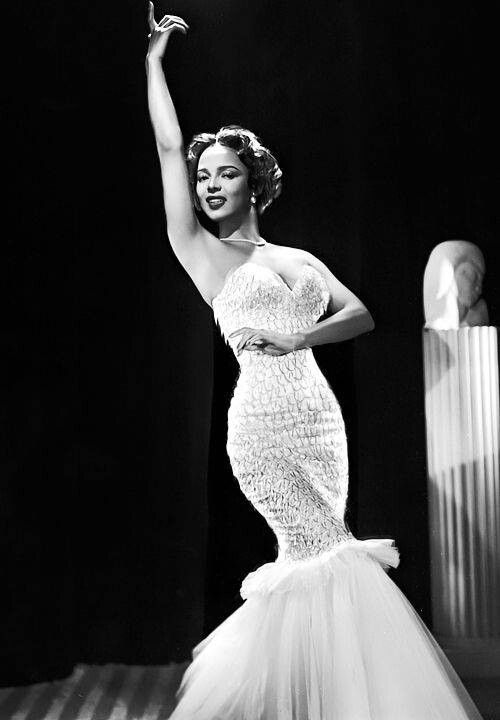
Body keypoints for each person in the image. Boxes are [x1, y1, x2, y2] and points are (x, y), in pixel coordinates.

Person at [146, 6, 483, 718]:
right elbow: (170, 150)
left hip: (319, 424)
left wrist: (301, 341)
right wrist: (153, 64)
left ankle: (320, 701)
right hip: (261, 430)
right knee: (326, 556)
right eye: (204, 176)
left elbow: (359, 315)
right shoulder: (202, 255)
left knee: (321, 564)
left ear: (253, 181)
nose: (208, 184)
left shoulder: (297, 258)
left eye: (225, 173)